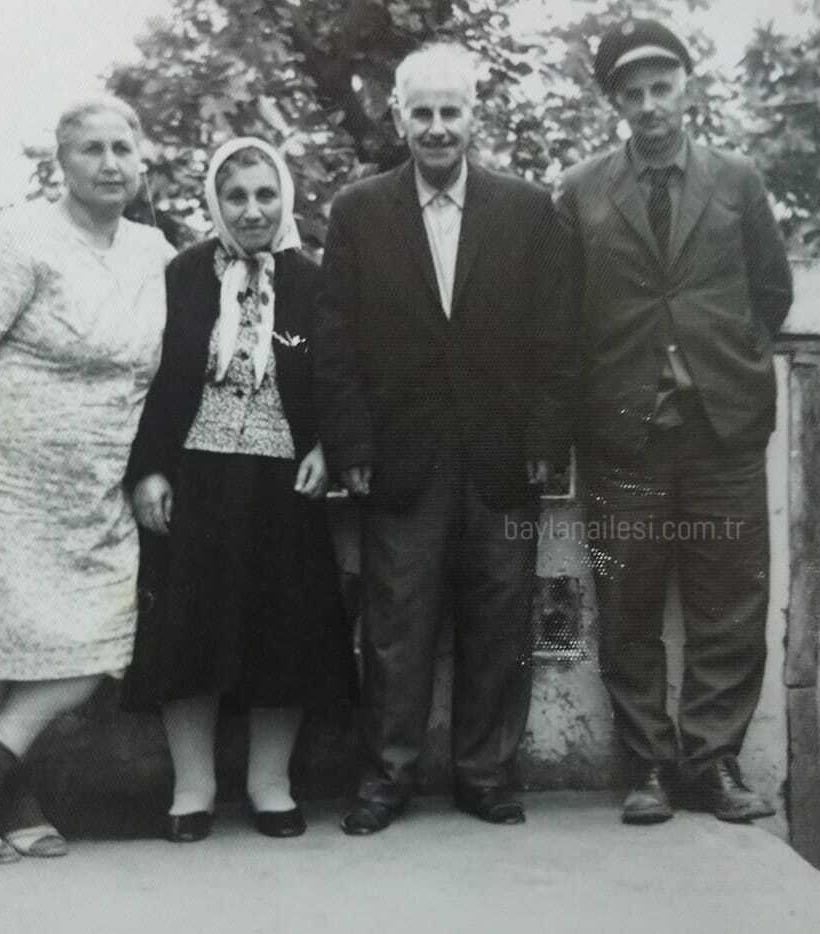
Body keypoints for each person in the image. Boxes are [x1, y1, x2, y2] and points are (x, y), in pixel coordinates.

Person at [0, 94, 174, 863]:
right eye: (92, 149)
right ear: (62, 162)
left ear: (142, 159)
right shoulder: (17, 237)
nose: (110, 164)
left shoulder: (154, 253)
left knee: (104, 639)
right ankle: (8, 801)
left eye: (123, 148)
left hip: (96, 485)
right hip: (0, 477)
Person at [312, 43, 576, 835]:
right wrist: (353, 447)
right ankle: (387, 777)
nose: (436, 127)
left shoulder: (528, 210)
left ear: (472, 116)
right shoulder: (358, 212)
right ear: (399, 118)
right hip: (400, 458)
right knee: (396, 624)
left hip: (503, 455)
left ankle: (485, 774)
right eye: (421, 112)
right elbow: (335, 341)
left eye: (449, 112)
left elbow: (556, 336)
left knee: (500, 618)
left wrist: (546, 436)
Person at [554, 19, 793, 825]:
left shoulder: (737, 181)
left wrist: (725, 364)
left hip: (723, 429)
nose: (650, 104)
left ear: (685, 89)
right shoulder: (581, 191)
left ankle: (713, 762)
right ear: (615, 102)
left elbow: (772, 293)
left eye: (662, 87)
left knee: (730, 600)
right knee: (627, 602)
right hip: (623, 433)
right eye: (634, 93)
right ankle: (650, 766)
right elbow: (562, 313)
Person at [123, 137, 354, 843]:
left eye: (265, 195)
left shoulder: (312, 280)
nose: (252, 210)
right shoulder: (183, 275)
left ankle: (269, 784)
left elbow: (341, 373)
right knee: (187, 629)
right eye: (236, 197)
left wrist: (329, 448)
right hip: (195, 475)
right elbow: (152, 378)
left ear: (285, 198)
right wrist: (150, 469)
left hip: (285, 479)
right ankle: (193, 788)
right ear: (215, 203)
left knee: (283, 627)